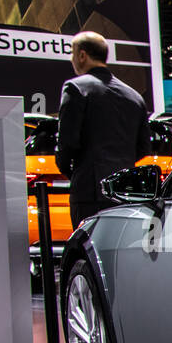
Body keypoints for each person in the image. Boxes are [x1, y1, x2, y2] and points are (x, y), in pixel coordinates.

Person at [56, 31, 151, 225]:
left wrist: (73, 172)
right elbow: (143, 147)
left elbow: (67, 142)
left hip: (89, 191)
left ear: (82, 55)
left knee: (87, 249)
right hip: (126, 192)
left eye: (72, 53)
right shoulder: (134, 96)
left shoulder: (76, 88)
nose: (72, 59)